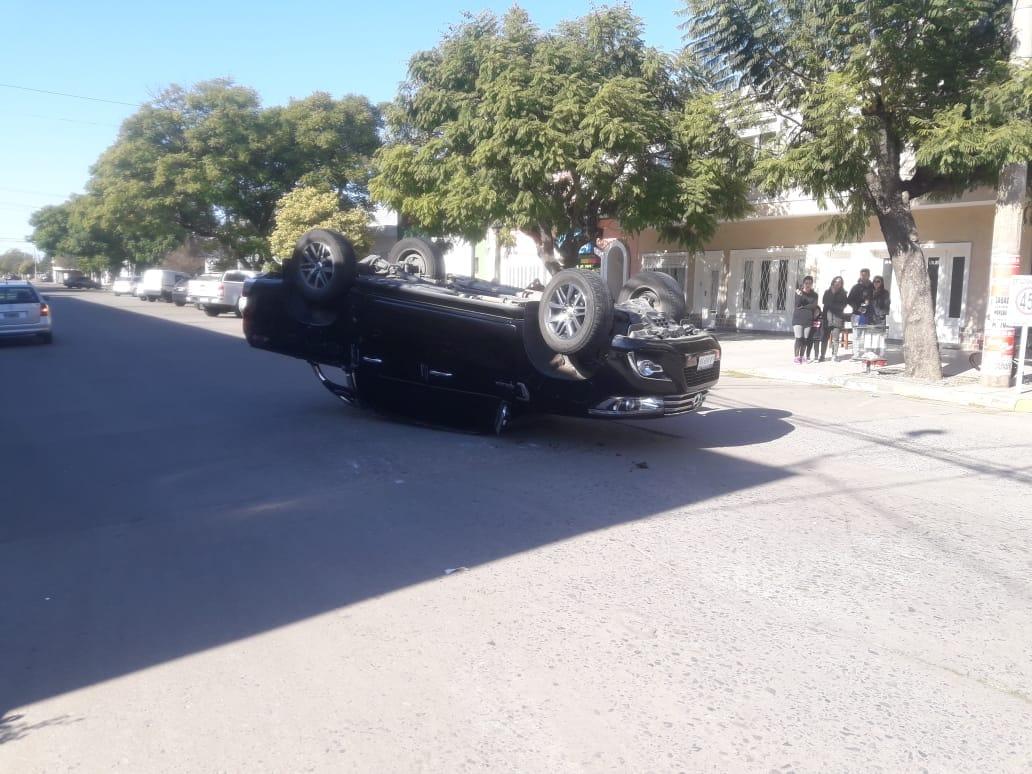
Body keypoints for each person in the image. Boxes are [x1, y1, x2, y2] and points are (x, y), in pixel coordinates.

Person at [819, 276, 848, 361]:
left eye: (839, 282)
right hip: (827, 318)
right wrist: (832, 293)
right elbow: (824, 302)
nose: (837, 283)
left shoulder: (843, 294)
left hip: (837, 318)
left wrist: (832, 305)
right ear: (833, 282)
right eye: (836, 281)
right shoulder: (827, 292)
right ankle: (822, 356)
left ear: (841, 284)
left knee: (835, 339)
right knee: (824, 338)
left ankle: (834, 355)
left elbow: (843, 306)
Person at [847, 269, 873, 360]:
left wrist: (870, 302)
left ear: (869, 275)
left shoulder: (872, 287)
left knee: (867, 335)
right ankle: (856, 354)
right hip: (857, 314)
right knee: (856, 335)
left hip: (868, 315)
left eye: (865, 275)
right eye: (862, 275)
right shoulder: (855, 287)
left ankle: (866, 353)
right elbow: (849, 300)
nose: (863, 277)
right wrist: (857, 307)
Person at [792, 275, 819, 364]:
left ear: (812, 284)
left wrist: (803, 306)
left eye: (810, 283)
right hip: (798, 319)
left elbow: (813, 306)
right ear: (803, 284)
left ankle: (802, 356)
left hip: (808, 319)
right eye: (806, 283)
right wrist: (799, 296)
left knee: (805, 339)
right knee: (799, 338)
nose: (808, 285)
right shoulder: (799, 292)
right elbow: (797, 305)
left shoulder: (814, 295)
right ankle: (796, 357)